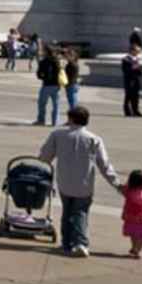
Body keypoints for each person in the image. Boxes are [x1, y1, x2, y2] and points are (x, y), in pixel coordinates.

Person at [37, 105, 121, 257]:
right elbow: (104, 164)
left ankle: (67, 243)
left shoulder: (57, 134)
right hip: (84, 183)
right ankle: (81, 243)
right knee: (80, 212)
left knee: (67, 212)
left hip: (64, 182)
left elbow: (44, 157)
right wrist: (117, 184)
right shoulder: (94, 139)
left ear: (70, 119)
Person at [120, 170, 142, 259]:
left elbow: (122, 189)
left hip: (131, 217)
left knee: (133, 234)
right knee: (141, 236)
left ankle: (134, 247)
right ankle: (138, 251)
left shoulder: (129, 190)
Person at [34, 44, 63, 126]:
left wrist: (43, 77)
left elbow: (39, 74)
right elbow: (60, 72)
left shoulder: (43, 61)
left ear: (45, 52)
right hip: (56, 85)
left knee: (42, 104)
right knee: (56, 105)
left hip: (46, 84)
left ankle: (41, 120)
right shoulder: (56, 60)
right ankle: (55, 121)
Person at [121, 44, 142, 117]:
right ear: (132, 51)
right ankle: (127, 111)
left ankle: (136, 110)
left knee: (136, 96)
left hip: (136, 80)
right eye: (137, 51)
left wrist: (139, 71)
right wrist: (134, 67)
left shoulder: (136, 59)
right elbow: (126, 70)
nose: (138, 52)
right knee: (128, 96)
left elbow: (138, 70)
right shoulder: (126, 59)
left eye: (138, 51)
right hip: (129, 80)